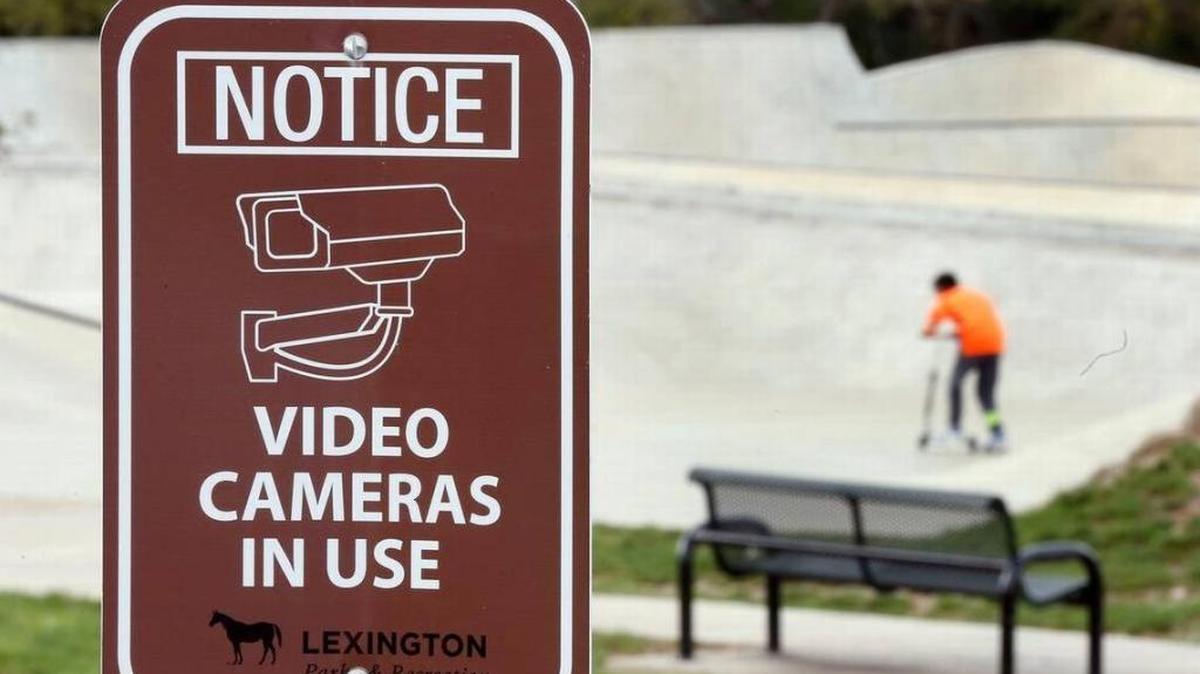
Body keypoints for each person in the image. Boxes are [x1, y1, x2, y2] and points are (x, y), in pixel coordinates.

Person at [922, 272, 1007, 452]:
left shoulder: (947, 298)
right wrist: (959, 332)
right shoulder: (977, 296)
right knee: (986, 395)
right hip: (995, 345)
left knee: (955, 385)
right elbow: (980, 319)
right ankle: (998, 434)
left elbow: (933, 321)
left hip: (973, 347)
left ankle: (954, 428)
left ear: (941, 287)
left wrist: (928, 331)